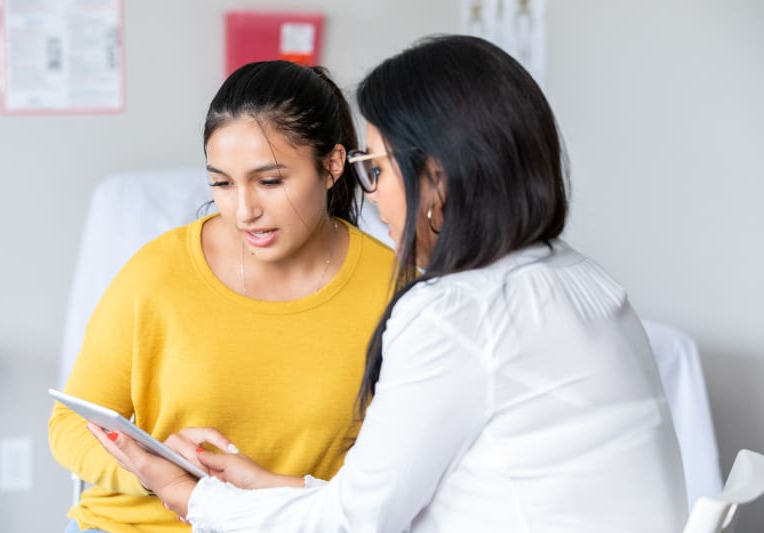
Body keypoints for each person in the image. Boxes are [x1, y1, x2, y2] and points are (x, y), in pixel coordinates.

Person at [88, 35, 689, 532]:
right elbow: (391, 497)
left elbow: (355, 524)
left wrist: (184, 495)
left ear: (436, 178)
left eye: (374, 168)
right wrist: (265, 482)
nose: (372, 198)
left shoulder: (455, 312)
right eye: (222, 184)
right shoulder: (587, 282)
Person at [48, 60, 395, 533]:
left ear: (332, 166)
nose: (245, 210)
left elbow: (391, 478)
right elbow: (69, 425)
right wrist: (155, 471)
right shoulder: (159, 271)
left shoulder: (395, 292)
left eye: (270, 181)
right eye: (222, 184)